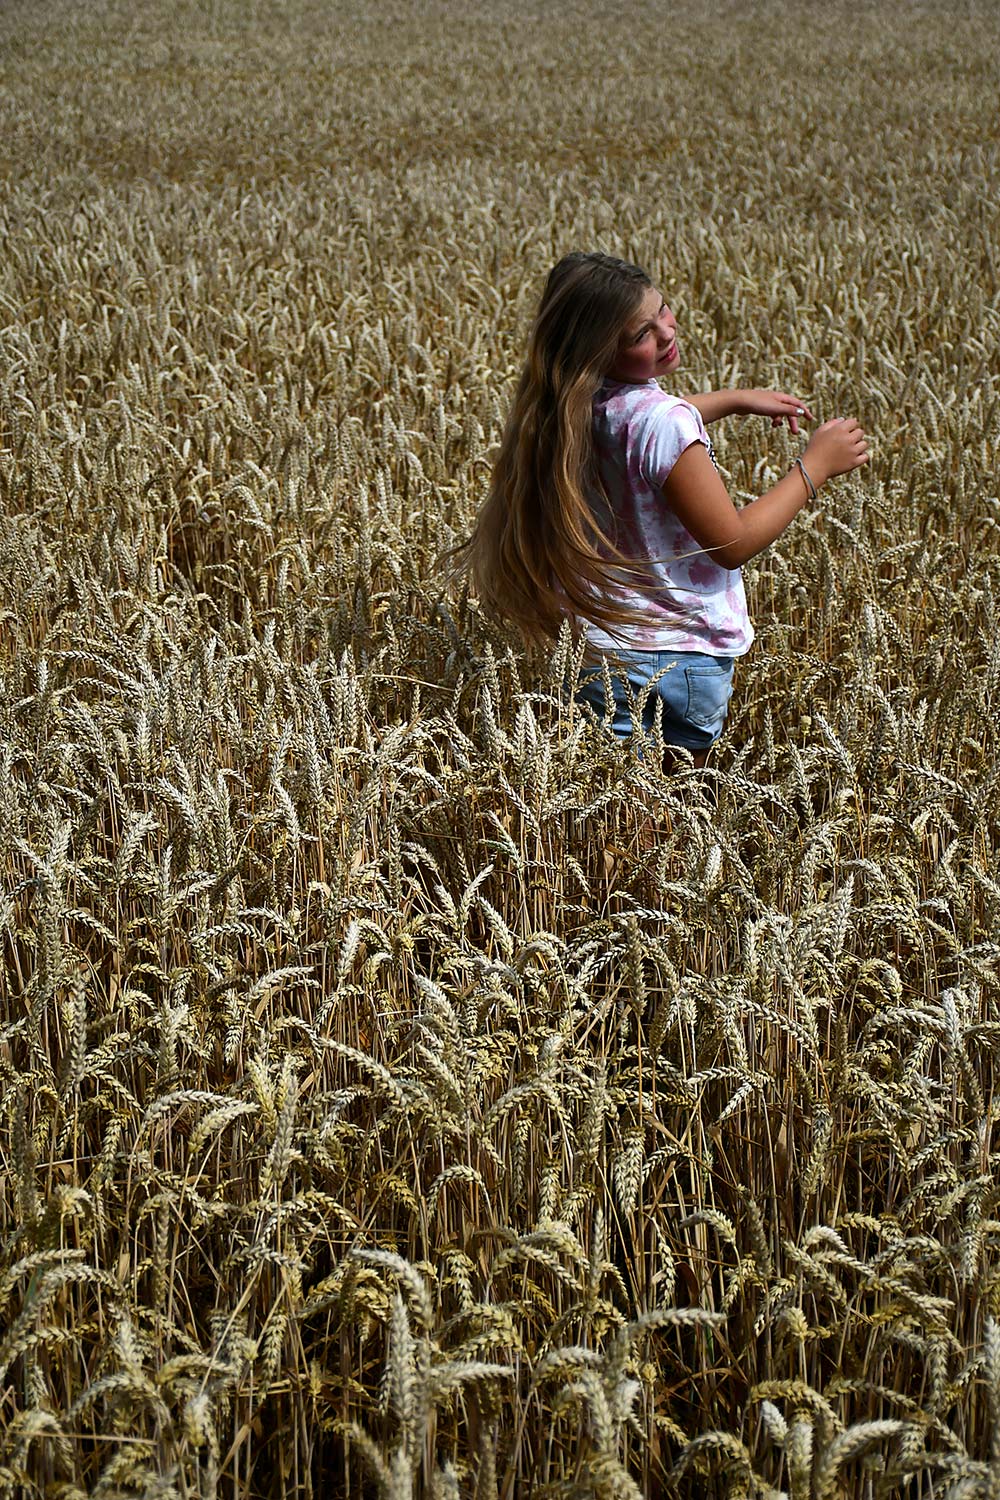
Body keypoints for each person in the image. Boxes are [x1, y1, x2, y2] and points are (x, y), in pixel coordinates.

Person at [453, 252, 869, 765]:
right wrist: (814, 468)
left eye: (663, 310)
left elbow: (640, 419)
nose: (666, 332)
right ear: (599, 351)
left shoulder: (568, 406)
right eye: (640, 335)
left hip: (600, 649)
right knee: (681, 801)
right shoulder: (665, 423)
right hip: (680, 656)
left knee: (614, 803)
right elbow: (731, 544)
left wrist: (733, 399)